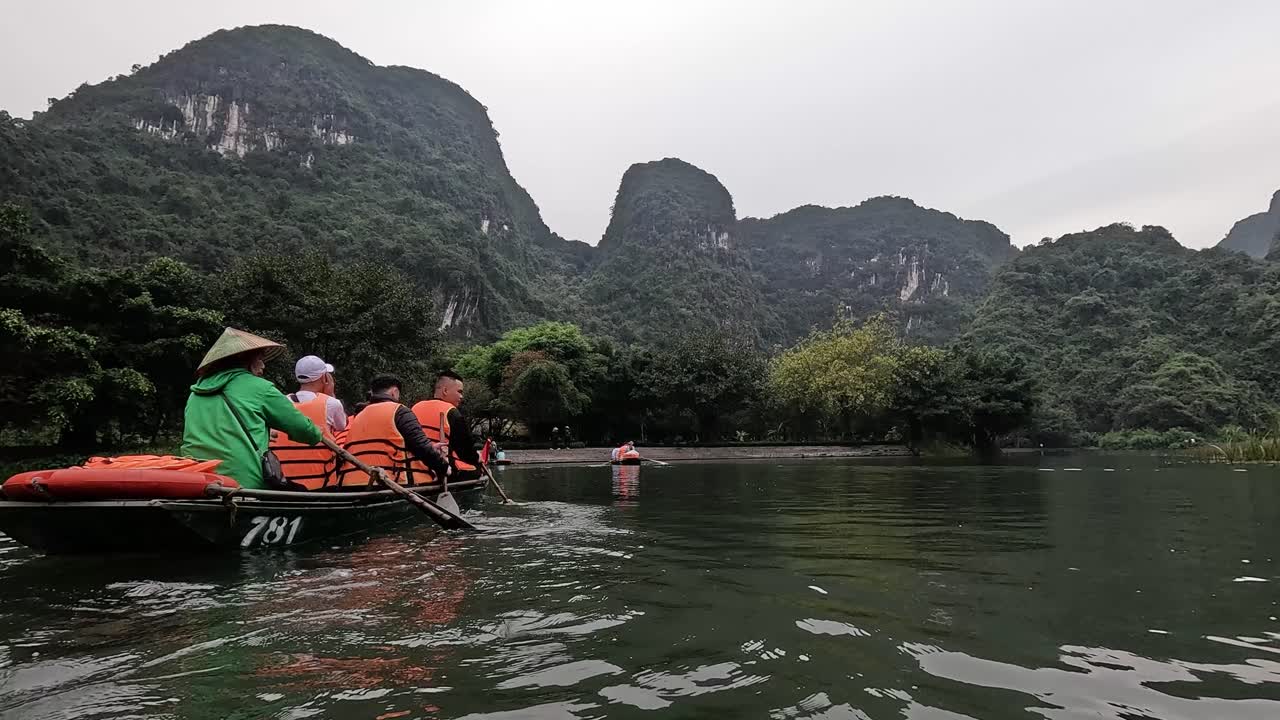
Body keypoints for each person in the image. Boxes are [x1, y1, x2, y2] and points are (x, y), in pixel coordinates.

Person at [181, 328, 323, 490]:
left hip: (198, 481)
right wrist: (317, 432)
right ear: (246, 360)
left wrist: (266, 430)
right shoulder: (260, 388)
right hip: (244, 482)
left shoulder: (195, 394)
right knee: (301, 493)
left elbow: (221, 429)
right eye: (260, 359)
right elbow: (303, 429)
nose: (263, 365)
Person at [339, 374, 451, 487]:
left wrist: (430, 447)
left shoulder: (359, 416)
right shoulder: (399, 411)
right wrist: (443, 467)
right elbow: (420, 446)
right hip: (390, 483)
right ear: (394, 392)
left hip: (352, 483)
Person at [269, 355, 347, 490]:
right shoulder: (332, 403)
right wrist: (331, 395)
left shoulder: (280, 403)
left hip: (283, 484)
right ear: (324, 378)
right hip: (323, 485)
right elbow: (342, 426)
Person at [412, 371, 481, 480]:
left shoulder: (415, 407)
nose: (461, 396)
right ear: (445, 390)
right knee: (477, 469)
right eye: (459, 391)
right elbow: (466, 452)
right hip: (441, 469)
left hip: (413, 466)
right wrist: (478, 458)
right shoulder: (452, 412)